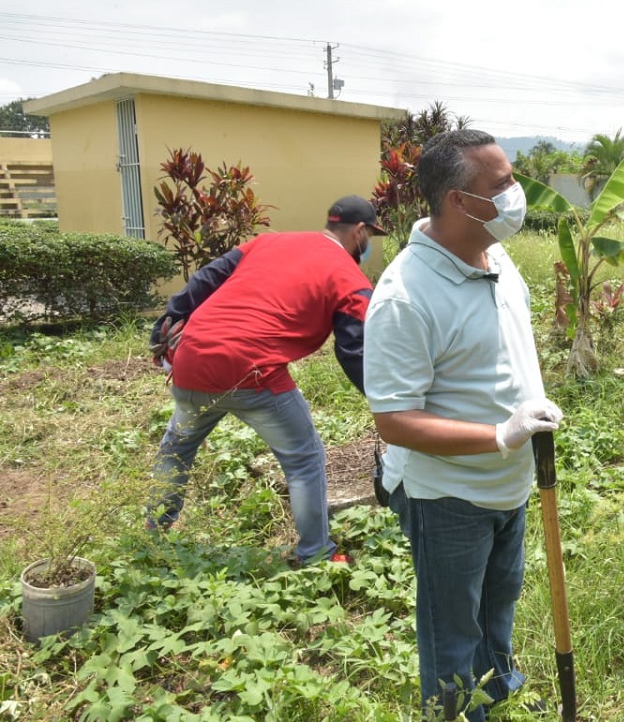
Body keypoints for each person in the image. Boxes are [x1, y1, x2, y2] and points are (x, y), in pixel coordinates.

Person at [363, 129, 562, 721]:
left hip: (510, 485)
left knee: (496, 612)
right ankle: (455, 714)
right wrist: (501, 436)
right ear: (458, 200)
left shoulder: (494, 255)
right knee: (452, 634)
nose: (516, 194)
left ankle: (493, 699)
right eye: (501, 185)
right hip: (447, 495)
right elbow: (394, 420)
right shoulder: (405, 295)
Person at [145, 195, 386, 565]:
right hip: (252, 370)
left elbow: (206, 277)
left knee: (177, 449)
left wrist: (169, 320)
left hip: (191, 359)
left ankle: (152, 535)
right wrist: (384, 403)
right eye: (371, 235)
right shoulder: (349, 276)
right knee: (305, 459)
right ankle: (316, 554)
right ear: (359, 231)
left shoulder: (266, 241)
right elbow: (354, 350)